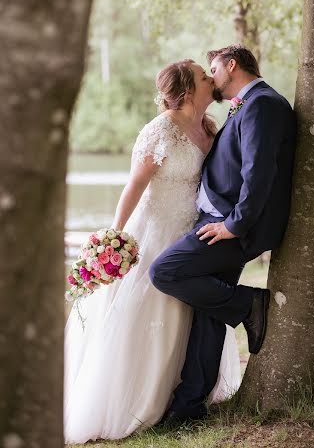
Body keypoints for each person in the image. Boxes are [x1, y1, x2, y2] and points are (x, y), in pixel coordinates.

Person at [64, 59, 241, 444]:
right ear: (187, 89)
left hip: (192, 230)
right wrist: (115, 236)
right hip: (156, 230)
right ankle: (140, 399)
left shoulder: (209, 127)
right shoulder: (159, 131)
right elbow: (134, 187)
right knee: (149, 306)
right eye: (202, 75)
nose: (211, 79)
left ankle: (187, 391)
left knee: (186, 310)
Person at [150, 44, 297, 424]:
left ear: (231, 66)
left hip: (234, 227)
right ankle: (189, 406)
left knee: (164, 272)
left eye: (213, 68)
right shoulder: (247, 105)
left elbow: (258, 172)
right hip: (221, 221)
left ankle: (250, 305)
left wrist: (234, 225)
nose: (211, 77)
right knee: (209, 313)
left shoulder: (262, 104)